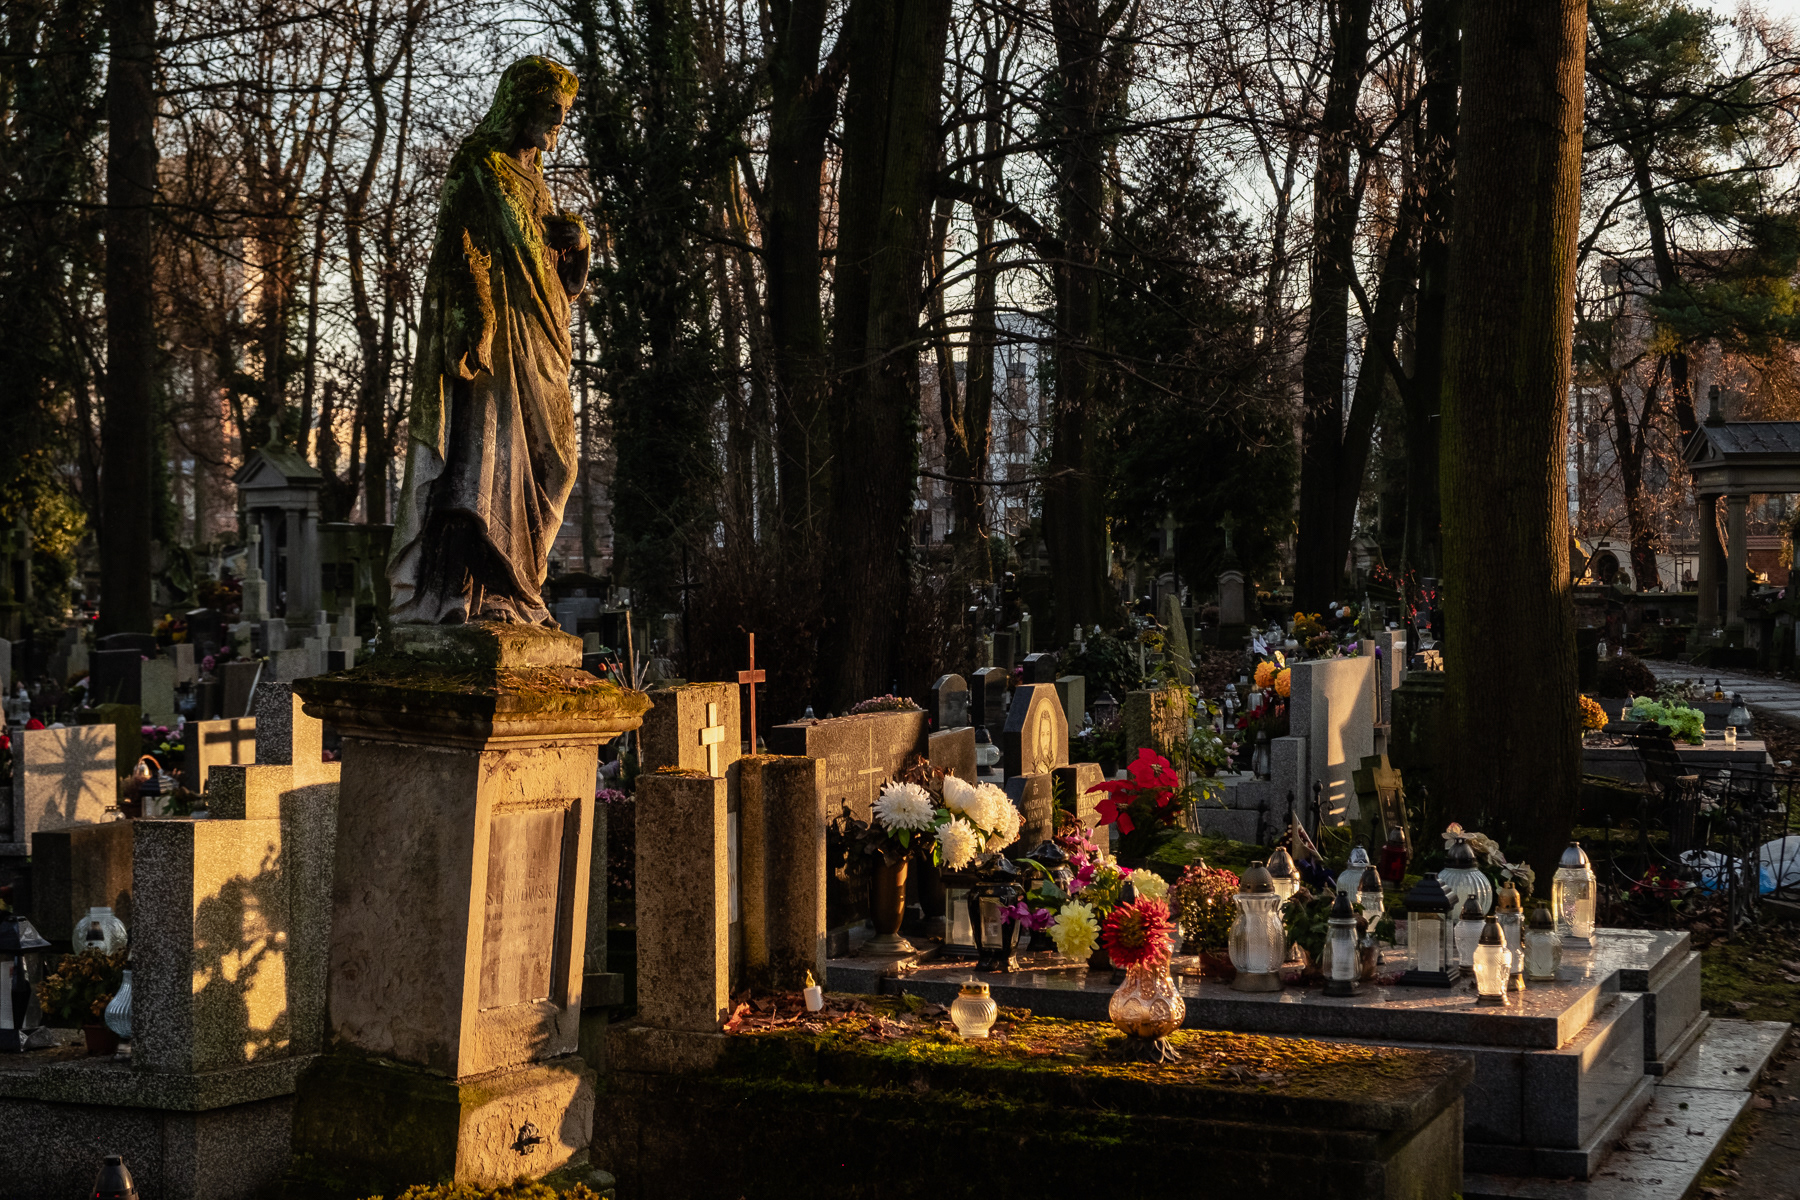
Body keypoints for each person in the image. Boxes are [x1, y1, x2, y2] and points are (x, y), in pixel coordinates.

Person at [387, 56, 591, 625]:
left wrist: (578, 245)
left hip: (543, 340)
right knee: (486, 462)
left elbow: (556, 274)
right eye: (551, 110)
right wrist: (472, 315)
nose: (558, 123)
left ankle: (521, 587)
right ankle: (473, 592)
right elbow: (464, 245)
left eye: (564, 114)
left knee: (559, 465)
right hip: (498, 339)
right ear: (519, 104)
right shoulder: (480, 165)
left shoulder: (536, 181)